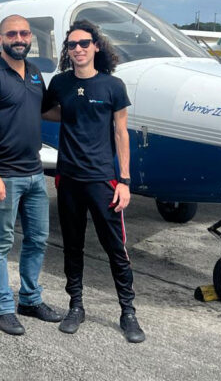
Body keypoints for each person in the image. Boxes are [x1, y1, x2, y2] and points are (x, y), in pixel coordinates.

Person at [42, 19, 145, 343]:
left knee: (116, 249)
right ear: (67, 51)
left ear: (96, 46)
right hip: (68, 178)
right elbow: (47, 112)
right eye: (72, 45)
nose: (78, 49)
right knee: (72, 247)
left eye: (84, 43)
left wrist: (125, 181)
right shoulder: (59, 83)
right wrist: (72, 114)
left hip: (103, 181)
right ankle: (76, 306)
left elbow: (121, 133)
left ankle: (128, 313)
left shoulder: (113, 87)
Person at [0, 14, 62, 335]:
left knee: (38, 239)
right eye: (12, 34)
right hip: (6, 175)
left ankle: (30, 299)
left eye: (25, 33)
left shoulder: (35, 74)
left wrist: (84, 110)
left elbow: (44, 110)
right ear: (1, 39)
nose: (20, 38)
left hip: (35, 172)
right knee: (0, 243)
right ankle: (4, 308)